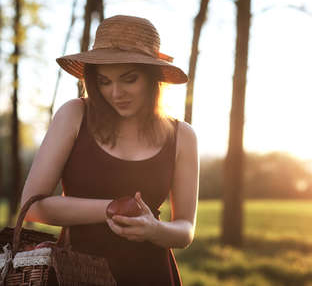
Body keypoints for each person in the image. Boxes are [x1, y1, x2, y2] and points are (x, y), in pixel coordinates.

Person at [21, 15, 199, 286]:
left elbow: (185, 230)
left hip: (151, 276)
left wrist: (154, 229)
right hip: (75, 274)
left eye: (129, 79)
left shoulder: (182, 136)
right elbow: (32, 206)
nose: (115, 93)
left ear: (153, 79)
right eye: (104, 81)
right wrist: (113, 209)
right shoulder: (75, 115)